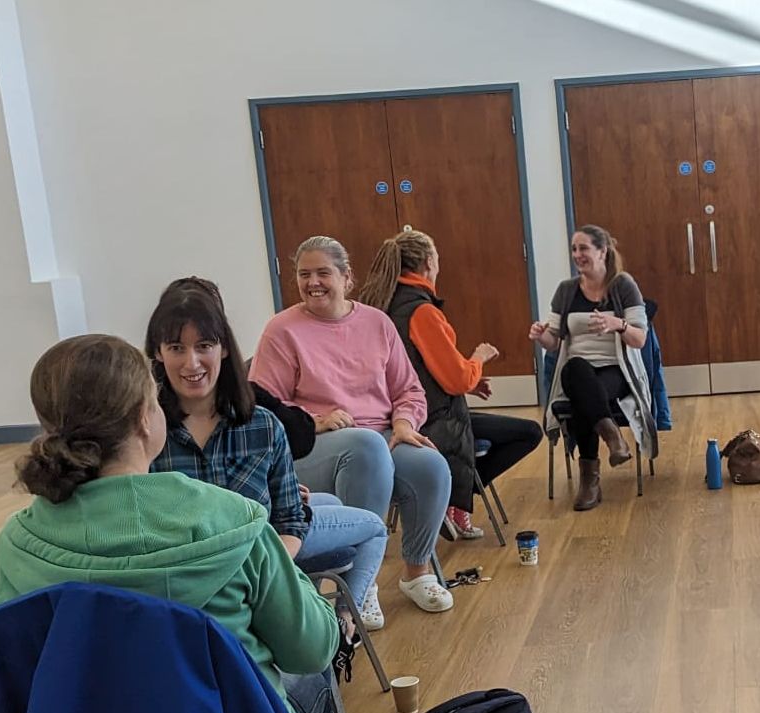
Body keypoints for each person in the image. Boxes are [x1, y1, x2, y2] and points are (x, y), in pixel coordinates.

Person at [0, 333, 339, 705]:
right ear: (143, 418)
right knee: (314, 683)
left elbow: (0, 674)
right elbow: (313, 650)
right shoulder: (237, 521)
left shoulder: (13, 546)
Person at [145, 276, 390, 633]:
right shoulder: (145, 432)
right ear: (158, 352)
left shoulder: (263, 424)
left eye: (204, 345)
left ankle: (343, 622)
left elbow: (289, 521)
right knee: (364, 524)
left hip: (258, 578)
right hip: (185, 596)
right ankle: (339, 615)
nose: (192, 362)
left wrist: (261, 575)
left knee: (312, 647)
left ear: (223, 347)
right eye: (176, 348)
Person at [251, 235, 454, 613]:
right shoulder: (282, 330)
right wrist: (314, 421)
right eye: (304, 274)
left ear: (347, 278)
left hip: (379, 435)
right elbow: (262, 408)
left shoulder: (377, 323)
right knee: (366, 446)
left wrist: (405, 423)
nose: (313, 282)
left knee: (431, 465)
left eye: (323, 273)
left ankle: (417, 571)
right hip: (312, 446)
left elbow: (409, 390)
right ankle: (362, 584)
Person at [357, 228, 543, 539]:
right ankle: (446, 497)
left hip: (389, 418)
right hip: (433, 421)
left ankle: (448, 497)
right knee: (528, 433)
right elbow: (456, 380)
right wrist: (479, 357)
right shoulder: (421, 311)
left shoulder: (380, 305)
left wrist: (470, 382)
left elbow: (413, 369)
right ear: (429, 263)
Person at [531, 224, 658, 511]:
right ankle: (612, 437)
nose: (577, 254)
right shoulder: (566, 291)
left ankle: (589, 480)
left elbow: (639, 339)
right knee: (576, 370)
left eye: (584, 248)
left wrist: (617, 324)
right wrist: (541, 336)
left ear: (602, 252)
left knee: (583, 399)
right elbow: (554, 342)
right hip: (577, 370)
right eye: (574, 249)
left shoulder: (623, 285)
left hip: (616, 370)